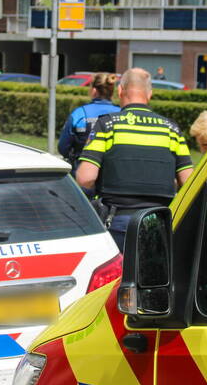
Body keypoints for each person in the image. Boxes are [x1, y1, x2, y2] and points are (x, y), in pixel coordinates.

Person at [76, 68, 194, 250]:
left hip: (118, 222)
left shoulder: (107, 125)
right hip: (159, 222)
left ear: (120, 91)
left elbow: (85, 178)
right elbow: (189, 181)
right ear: (150, 94)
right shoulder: (171, 129)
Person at [58, 72, 120, 171]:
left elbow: (63, 147)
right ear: (112, 92)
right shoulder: (121, 113)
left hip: (81, 173)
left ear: (94, 91)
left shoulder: (79, 113)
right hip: (113, 174)